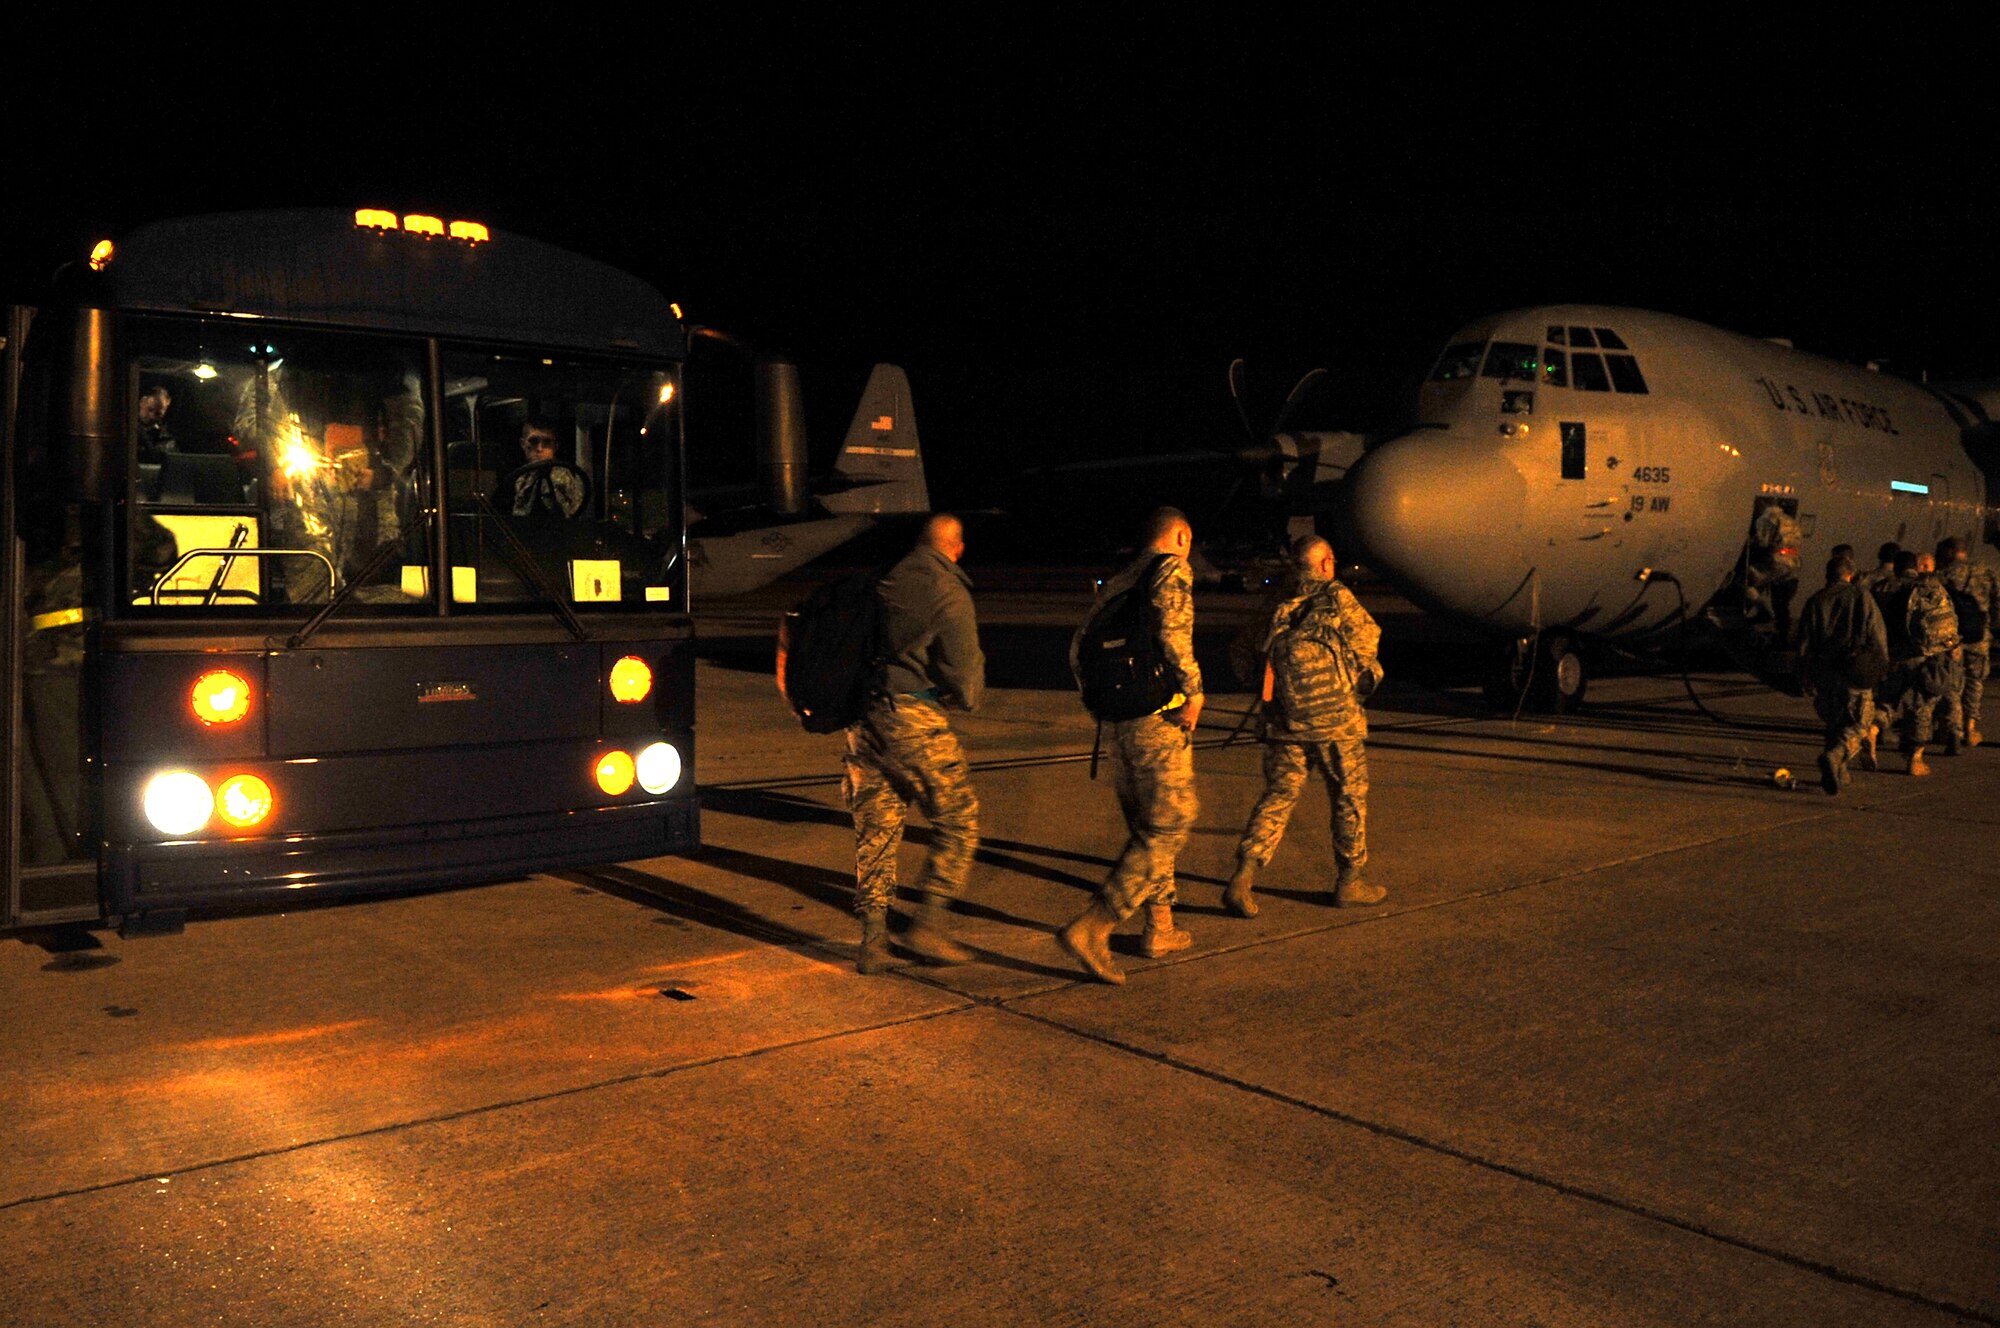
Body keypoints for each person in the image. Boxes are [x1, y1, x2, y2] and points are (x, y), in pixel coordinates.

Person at [1057, 507, 1204, 984]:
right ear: (1180, 536)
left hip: (1118, 727)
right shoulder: (1171, 569)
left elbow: (1079, 648)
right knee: (1170, 825)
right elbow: (1174, 634)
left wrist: (1099, 706)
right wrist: (1195, 690)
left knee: (1148, 828)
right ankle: (1095, 924)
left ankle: (1159, 927)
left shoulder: (1121, 580)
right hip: (1158, 720)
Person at [844, 513, 985, 974]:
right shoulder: (948, 590)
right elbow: (966, 679)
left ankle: (872, 940)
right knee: (958, 818)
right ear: (957, 547)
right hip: (913, 715)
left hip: (865, 717)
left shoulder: (886, 576)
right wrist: (958, 692)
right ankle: (928, 923)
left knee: (877, 828)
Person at [1225, 535, 1385, 913]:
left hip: (1285, 724)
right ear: (1327, 563)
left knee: (1278, 796)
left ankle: (1243, 877)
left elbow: (1242, 657)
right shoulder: (1335, 595)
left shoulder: (1277, 602)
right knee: (1348, 798)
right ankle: (1350, 881)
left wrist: (1278, 693)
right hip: (1337, 723)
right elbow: (1368, 643)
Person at [1796, 553, 1888, 795]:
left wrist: (1805, 675)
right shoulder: (1861, 596)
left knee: (1835, 723)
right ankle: (1836, 756)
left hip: (1824, 672)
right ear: (1850, 575)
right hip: (1853, 671)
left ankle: (1840, 773)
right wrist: (1881, 667)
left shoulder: (1815, 601)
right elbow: (1877, 635)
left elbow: (1804, 644)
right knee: (1859, 724)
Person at [1875, 550, 1959, 775]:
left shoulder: (1882, 587)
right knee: (1921, 705)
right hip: (1922, 654)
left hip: (1891, 655)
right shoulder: (1927, 589)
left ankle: (1872, 731)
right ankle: (1915, 759)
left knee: (1887, 700)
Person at [1935, 536, 1997, 749]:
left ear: (1951, 552)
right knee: (1975, 681)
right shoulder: (1985, 570)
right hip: (1980, 635)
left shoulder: (1943, 574)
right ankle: (1970, 728)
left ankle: (1952, 727)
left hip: (1953, 638)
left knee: (1952, 684)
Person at [505, 419, 588, 522]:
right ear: (523, 444)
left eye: (547, 442)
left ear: (556, 446)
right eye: (533, 441)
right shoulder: (521, 479)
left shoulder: (564, 477)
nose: (540, 448)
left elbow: (572, 515)